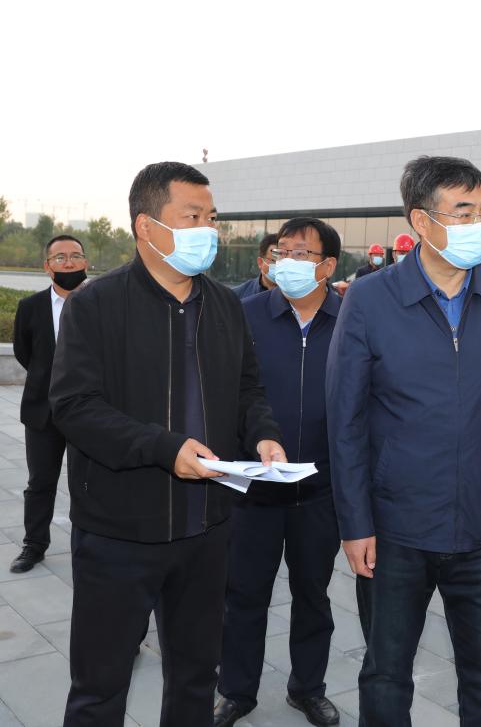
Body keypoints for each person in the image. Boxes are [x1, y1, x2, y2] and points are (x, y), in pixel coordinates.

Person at [49, 161, 286, 727]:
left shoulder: (225, 305)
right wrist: (163, 447)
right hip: (119, 532)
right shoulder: (96, 305)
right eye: (192, 217)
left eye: (212, 218)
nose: (209, 230)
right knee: (99, 688)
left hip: (207, 529)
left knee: (195, 680)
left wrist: (264, 435)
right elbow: (75, 406)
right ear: (146, 226)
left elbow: (248, 389)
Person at [326, 155, 481, 727]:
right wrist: (355, 523)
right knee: (386, 673)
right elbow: (345, 419)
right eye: (464, 212)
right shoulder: (369, 300)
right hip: (395, 529)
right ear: (421, 221)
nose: (480, 224)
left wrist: (480, 447)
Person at [214, 218, 342, 727]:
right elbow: (229, 393)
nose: (286, 261)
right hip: (254, 489)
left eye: (301, 253)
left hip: (322, 491)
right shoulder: (245, 315)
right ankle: (236, 691)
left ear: (327, 266)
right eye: (281, 252)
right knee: (244, 595)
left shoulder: (351, 320)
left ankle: (308, 689)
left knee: (314, 595)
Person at [9, 235, 89, 574]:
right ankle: (34, 545)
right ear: (47, 266)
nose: (68, 262)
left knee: (87, 484)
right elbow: (24, 352)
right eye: (60, 257)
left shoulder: (102, 303)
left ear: (86, 262)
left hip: (90, 411)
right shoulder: (30, 307)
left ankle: (90, 546)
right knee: (40, 482)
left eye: (75, 256)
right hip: (43, 411)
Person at [232, 232, 278, 298]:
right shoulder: (238, 296)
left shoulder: (293, 297)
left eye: (283, 262)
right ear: (260, 262)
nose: (279, 266)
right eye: (274, 261)